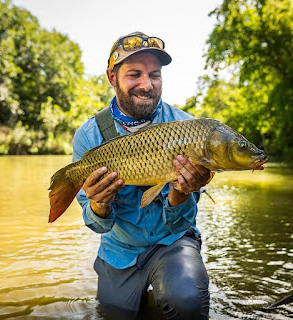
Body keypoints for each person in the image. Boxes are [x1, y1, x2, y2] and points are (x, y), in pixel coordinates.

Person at [72, 31, 211, 320]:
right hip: (120, 250)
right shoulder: (88, 136)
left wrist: (180, 193)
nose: (146, 85)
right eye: (134, 74)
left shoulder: (188, 128)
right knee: (113, 315)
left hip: (172, 241)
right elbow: (97, 224)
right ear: (112, 78)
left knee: (187, 301)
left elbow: (183, 222)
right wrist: (99, 204)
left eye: (155, 75)